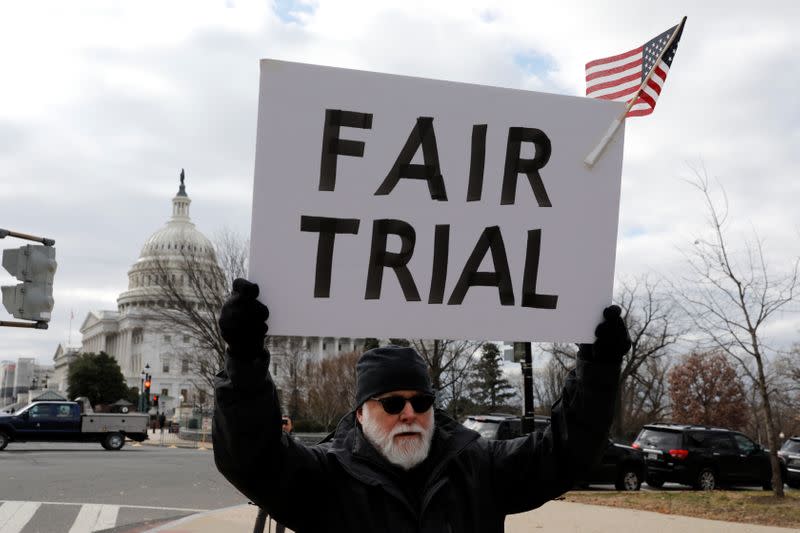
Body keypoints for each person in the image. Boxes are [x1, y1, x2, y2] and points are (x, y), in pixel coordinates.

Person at [214, 279, 630, 533]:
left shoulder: (478, 468)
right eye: (392, 403)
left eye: (421, 401)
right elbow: (253, 459)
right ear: (361, 413)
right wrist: (245, 361)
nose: (409, 413)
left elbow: (566, 454)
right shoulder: (326, 478)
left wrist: (598, 369)